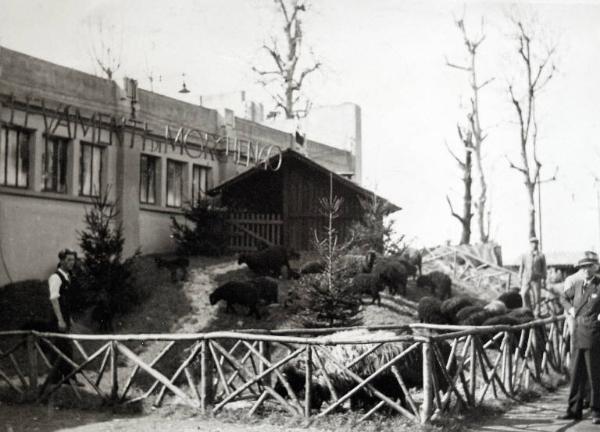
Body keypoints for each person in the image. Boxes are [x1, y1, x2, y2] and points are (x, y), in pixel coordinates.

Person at [557, 252, 600, 424]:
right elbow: (563, 298)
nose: (586, 270)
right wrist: (570, 309)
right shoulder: (577, 285)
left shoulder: (598, 286)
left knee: (594, 373)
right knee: (576, 373)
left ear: (596, 267)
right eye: (583, 267)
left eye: (589, 266)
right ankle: (574, 410)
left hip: (594, 333)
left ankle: (596, 410)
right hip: (577, 332)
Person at [42, 248, 83, 391]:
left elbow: (66, 301)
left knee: (66, 348)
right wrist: (60, 320)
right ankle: (56, 381)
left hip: (64, 317)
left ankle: (69, 379)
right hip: (56, 319)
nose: (72, 263)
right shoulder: (56, 277)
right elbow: (54, 299)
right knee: (59, 348)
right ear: (61, 261)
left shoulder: (68, 276)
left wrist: (68, 318)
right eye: (68, 260)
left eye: (73, 260)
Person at [519, 237, 547, 316]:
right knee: (523, 294)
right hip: (526, 278)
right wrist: (520, 277)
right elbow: (521, 267)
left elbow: (544, 268)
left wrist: (544, 280)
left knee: (537, 298)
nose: (534, 245)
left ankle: (537, 313)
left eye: (535, 243)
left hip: (536, 279)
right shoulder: (525, 255)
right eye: (532, 243)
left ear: (537, 244)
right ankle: (527, 310)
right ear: (530, 244)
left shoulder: (541, 255)